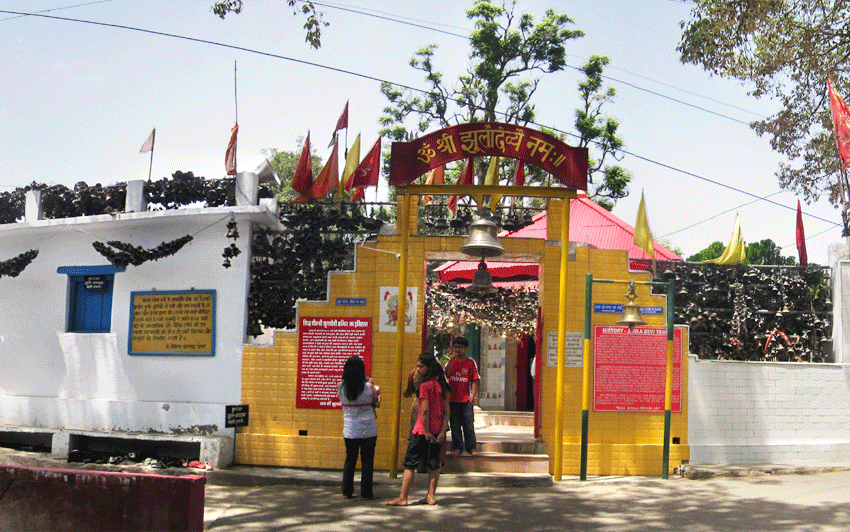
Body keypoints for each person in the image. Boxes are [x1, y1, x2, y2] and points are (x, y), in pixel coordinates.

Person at [387, 353, 450, 506]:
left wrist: (426, 432)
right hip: (437, 432)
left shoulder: (425, 386)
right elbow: (447, 411)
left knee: (410, 463)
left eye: (421, 366)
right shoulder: (443, 386)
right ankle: (430, 496)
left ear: (428, 368)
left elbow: (425, 411)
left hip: (422, 430)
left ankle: (403, 497)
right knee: (433, 464)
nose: (418, 369)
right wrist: (441, 432)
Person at [338, 356, 381, 500]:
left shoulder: (341, 387)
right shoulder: (369, 387)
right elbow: (376, 403)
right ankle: (366, 492)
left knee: (350, 459)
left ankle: (347, 491)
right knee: (367, 460)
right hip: (368, 428)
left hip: (350, 429)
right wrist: (376, 390)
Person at [444, 336, 480, 456]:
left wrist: (473, 395)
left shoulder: (470, 363)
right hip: (452, 399)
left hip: (466, 399)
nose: (458, 349)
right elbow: (447, 374)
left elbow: (474, 380)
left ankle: (471, 448)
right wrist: (451, 362)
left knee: (468, 424)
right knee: (454, 424)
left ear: (466, 349)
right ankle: (457, 448)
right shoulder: (451, 362)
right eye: (456, 347)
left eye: (460, 347)